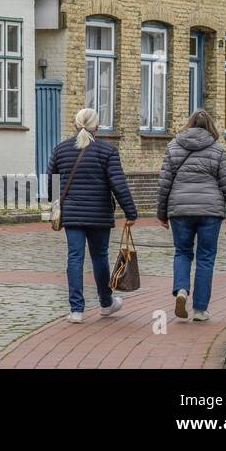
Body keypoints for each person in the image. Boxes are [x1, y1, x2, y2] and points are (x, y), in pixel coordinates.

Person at [48, 107, 139, 323]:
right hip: (99, 214)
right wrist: (131, 212)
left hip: (71, 214)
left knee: (74, 258)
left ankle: (76, 310)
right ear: (96, 127)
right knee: (99, 257)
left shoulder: (60, 150)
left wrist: (55, 205)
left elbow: (51, 182)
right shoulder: (107, 151)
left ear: (75, 125)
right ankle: (106, 303)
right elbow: (118, 183)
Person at [157, 108, 226, 322]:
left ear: (189, 125)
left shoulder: (173, 146)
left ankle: (182, 290)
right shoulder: (217, 150)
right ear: (211, 126)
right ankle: (200, 309)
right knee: (206, 258)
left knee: (182, 252)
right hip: (210, 211)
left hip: (180, 209)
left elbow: (164, 183)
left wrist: (162, 213)